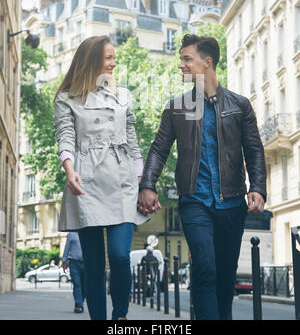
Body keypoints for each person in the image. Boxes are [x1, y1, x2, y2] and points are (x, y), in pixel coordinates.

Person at [138, 33, 266, 320]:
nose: (180, 65)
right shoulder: (176, 107)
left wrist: (257, 187)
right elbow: (158, 149)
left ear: (207, 62)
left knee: (224, 275)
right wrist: (148, 185)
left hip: (232, 202)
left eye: (187, 59)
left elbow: (254, 149)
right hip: (194, 200)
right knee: (205, 267)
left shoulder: (240, 105)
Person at [54, 35, 149, 320]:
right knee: (94, 264)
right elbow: (66, 136)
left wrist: (144, 182)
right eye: (108, 57)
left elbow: (132, 138)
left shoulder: (123, 95)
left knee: (120, 256)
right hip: (86, 182)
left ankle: (120, 316)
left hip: (123, 182)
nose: (113, 62)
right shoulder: (66, 99)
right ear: (92, 59)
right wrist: (70, 169)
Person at [62, 232, 85, 313]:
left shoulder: (87, 232)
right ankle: (79, 305)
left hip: (86, 263)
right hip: (74, 263)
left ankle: (80, 302)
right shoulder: (71, 234)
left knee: (84, 285)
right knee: (77, 284)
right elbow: (67, 247)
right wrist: (64, 261)